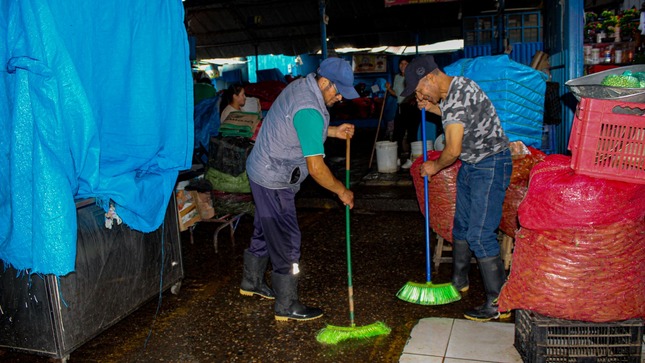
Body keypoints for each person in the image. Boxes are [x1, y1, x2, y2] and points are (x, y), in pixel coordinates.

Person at [241, 57, 358, 322]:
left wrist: (333, 131)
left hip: (261, 169)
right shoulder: (309, 107)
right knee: (286, 239)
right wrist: (341, 190)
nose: (340, 98)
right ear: (325, 82)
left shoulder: (303, 86)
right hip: (273, 178)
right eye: (338, 91)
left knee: (265, 227)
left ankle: (251, 282)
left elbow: (300, 125)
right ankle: (286, 304)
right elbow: (316, 168)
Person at [401, 55, 512, 322]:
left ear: (429, 77)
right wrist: (432, 108)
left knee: (480, 234)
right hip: (472, 164)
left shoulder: (457, 98)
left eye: (419, 90)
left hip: (490, 164)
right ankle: (459, 281)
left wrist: (434, 167)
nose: (420, 95)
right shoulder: (456, 89)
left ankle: (499, 303)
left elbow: (451, 150)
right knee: (461, 226)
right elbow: (458, 117)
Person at [388, 56, 418, 169]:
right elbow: (397, 94)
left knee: (412, 134)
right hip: (400, 107)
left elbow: (419, 91)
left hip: (411, 108)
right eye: (401, 63)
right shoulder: (397, 77)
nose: (403, 66)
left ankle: (411, 159)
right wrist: (389, 89)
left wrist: (415, 99)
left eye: (405, 63)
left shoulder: (414, 77)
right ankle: (398, 158)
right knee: (397, 134)